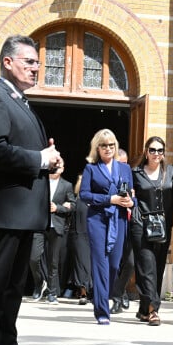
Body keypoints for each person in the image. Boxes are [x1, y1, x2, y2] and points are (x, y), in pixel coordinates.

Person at [0, 34, 62, 345]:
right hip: (6, 211)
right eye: (29, 61)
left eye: (38, 63)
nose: (36, 68)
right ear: (8, 62)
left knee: (14, 289)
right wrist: (40, 159)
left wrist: (51, 160)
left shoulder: (21, 102)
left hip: (24, 214)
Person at [79, 129, 135, 325]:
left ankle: (104, 295)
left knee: (113, 265)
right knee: (100, 264)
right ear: (97, 148)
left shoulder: (125, 169)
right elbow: (84, 195)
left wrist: (131, 202)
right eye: (104, 145)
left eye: (111, 145)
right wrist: (108, 199)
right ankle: (102, 311)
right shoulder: (91, 169)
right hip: (97, 220)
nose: (108, 149)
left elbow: (131, 193)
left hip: (119, 220)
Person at [130, 136, 173, 326]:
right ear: (146, 152)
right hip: (141, 225)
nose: (156, 154)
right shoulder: (136, 173)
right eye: (152, 150)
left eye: (160, 150)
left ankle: (143, 309)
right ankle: (153, 310)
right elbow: (127, 194)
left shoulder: (171, 172)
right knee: (146, 266)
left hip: (163, 226)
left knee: (157, 268)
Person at [41, 159, 76, 304]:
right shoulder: (40, 181)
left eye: (58, 166)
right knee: (33, 258)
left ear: (62, 169)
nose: (55, 168)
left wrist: (58, 208)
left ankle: (52, 292)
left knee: (53, 261)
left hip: (57, 225)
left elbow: (73, 205)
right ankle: (40, 282)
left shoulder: (66, 185)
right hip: (38, 224)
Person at [110, 148, 136, 314]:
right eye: (120, 164)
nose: (123, 167)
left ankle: (119, 292)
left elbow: (138, 198)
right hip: (115, 223)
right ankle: (119, 296)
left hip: (132, 224)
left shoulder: (131, 176)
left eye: (125, 164)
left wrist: (132, 200)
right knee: (114, 263)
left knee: (131, 262)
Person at [67, 173, 91, 305]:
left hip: (93, 234)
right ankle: (83, 291)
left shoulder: (96, 198)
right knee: (81, 264)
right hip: (78, 235)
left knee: (91, 264)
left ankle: (91, 290)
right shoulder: (77, 199)